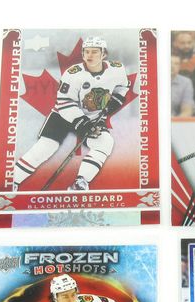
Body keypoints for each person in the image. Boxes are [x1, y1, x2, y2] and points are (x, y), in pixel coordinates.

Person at [13, 36, 131, 192]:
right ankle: (13, 181)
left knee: (105, 143)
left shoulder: (117, 69)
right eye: (86, 52)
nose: (89, 55)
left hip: (93, 117)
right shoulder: (73, 74)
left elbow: (123, 86)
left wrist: (116, 99)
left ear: (104, 54)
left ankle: (80, 182)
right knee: (46, 147)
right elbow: (64, 102)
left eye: (95, 52)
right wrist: (81, 122)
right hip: (63, 116)